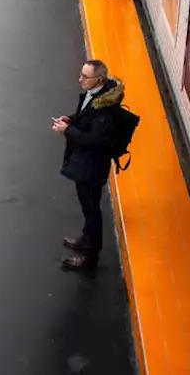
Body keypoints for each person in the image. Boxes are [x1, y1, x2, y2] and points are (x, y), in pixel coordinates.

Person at [52, 60, 124, 271]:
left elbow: (93, 139)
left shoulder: (105, 109)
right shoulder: (95, 95)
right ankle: (86, 238)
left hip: (91, 167)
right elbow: (84, 116)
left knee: (92, 210)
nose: (80, 79)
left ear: (99, 80)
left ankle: (91, 256)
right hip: (86, 163)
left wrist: (67, 131)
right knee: (87, 205)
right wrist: (71, 120)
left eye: (85, 77)